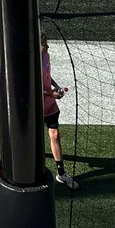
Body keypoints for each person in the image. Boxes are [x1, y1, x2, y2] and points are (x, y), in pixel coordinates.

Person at [42, 31, 78, 189]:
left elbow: (47, 76)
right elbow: (30, 88)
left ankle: (61, 173)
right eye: (43, 41)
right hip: (35, 106)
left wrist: (55, 87)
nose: (46, 44)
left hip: (49, 103)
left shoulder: (46, 55)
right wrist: (51, 93)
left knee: (55, 135)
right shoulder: (28, 61)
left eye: (45, 40)